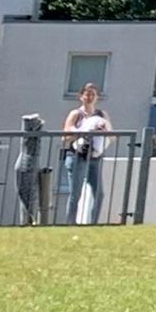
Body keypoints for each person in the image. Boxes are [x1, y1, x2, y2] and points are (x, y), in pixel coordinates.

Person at [58, 84, 112, 226]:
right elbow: (65, 137)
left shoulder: (102, 115)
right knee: (75, 193)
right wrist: (82, 132)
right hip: (77, 156)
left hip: (94, 158)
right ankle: (71, 223)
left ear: (97, 97)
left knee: (99, 193)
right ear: (81, 97)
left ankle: (93, 223)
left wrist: (102, 132)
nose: (90, 97)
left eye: (93, 94)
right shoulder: (76, 114)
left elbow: (112, 137)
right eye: (87, 94)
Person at [13, 112, 51, 227]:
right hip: (28, 162)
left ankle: (28, 221)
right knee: (28, 195)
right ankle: (28, 221)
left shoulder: (31, 140)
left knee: (28, 194)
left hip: (27, 161)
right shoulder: (31, 140)